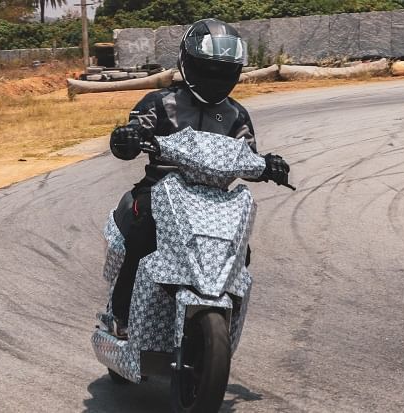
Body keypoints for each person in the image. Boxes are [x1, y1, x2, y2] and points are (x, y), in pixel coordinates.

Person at [108, 18, 291, 338]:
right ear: (189, 63)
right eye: (208, 69)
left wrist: (268, 165)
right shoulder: (160, 102)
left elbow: (248, 156)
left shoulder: (237, 115)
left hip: (215, 201)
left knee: (241, 251)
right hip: (161, 190)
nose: (215, 77)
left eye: (223, 71)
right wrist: (128, 137)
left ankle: (222, 320)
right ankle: (121, 315)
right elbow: (134, 133)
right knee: (144, 229)